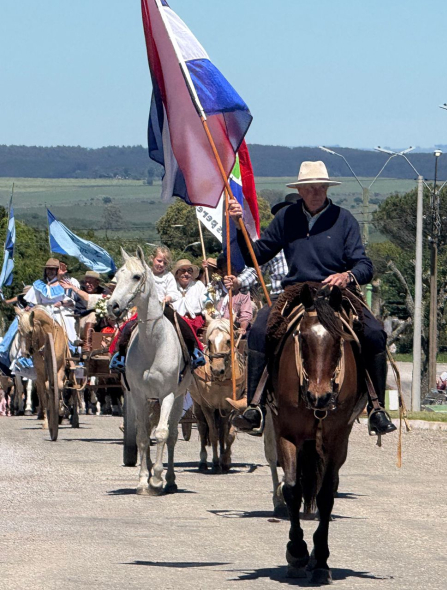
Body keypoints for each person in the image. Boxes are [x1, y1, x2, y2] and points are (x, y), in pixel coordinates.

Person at [226, 161, 396, 437]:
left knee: (375, 332)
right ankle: (254, 406)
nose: (316, 192)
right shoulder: (287, 218)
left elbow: (364, 265)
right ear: (301, 191)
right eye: (310, 188)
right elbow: (255, 257)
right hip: (297, 291)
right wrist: (239, 225)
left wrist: (347, 276)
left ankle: (377, 409)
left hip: (338, 293)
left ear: (327, 189)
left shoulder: (344, 219)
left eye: (321, 187)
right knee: (258, 328)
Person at [109, 252, 206, 372]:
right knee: (127, 326)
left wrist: (168, 298)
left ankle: (194, 352)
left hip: (164, 308)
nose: (161, 264)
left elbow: (174, 293)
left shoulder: (168, 276)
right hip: (146, 309)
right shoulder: (145, 274)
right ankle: (120, 355)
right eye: (159, 261)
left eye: (164, 263)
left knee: (183, 324)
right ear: (152, 259)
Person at [24, 257, 80, 345]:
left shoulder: (67, 283)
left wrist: (61, 303)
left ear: (58, 270)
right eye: (48, 269)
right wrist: (29, 306)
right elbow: (35, 300)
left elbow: (72, 301)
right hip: (43, 310)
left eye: (53, 269)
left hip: (60, 310)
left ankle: (71, 346)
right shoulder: (39, 284)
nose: (50, 272)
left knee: (67, 322)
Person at [167, 259, 209, 332]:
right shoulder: (171, 286)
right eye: (183, 271)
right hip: (174, 323)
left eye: (189, 271)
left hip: (196, 324)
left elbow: (205, 303)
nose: (186, 274)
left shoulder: (198, 285)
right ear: (177, 273)